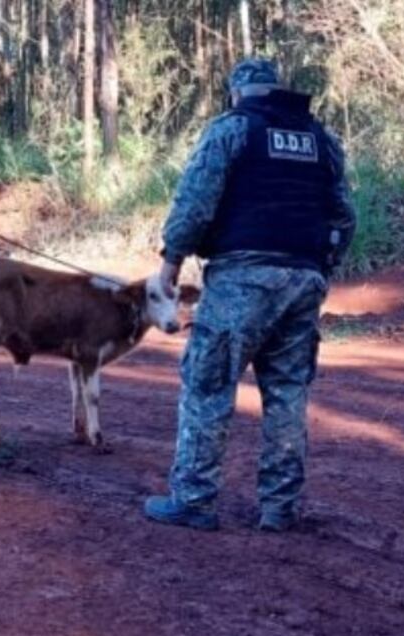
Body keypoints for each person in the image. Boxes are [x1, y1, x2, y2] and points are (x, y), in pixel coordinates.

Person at [143, 59, 357, 531]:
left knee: (208, 382)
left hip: (243, 277)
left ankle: (195, 500)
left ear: (238, 93)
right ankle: (280, 509)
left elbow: (195, 202)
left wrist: (171, 263)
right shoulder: (321, 140)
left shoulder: (233, 129)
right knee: (286, 393)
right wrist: (318, 270)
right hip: (304, 280)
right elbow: (344, 218)